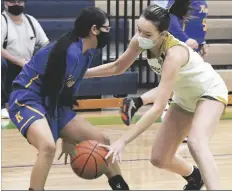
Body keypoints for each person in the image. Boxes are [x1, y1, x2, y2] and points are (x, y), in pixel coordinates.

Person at [84, 1, 228, 190]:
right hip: (185, 98)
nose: (141, 36)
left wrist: (123, 140)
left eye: (148, 34)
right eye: (138, 29)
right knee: (160, 158)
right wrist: (82, 73)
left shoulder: (174, 54)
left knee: (196, 142)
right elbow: (117, 66)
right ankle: (195, 176)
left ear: (163, 34)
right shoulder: (139, 40)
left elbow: (158, 107)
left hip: (209, 92)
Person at [8, 7, 129, 190]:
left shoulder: (87, 51)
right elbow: (53, 91)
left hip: (53, 100)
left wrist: (68, 138)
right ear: (94, 29)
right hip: (27, 98)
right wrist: (66, 138)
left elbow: (65, 94)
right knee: (48, 147)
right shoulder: (69, 52)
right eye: (106, 28)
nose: (109, 32)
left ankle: (121, 187)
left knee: (102, 140)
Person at [1, 0, 49, 118]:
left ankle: (48, 104)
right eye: (12, 2)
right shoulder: (2, 21)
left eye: (19, 1)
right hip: (8, 64)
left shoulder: (31, 21)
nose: (16, 4)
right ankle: (2, 106)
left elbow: (45, 44)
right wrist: (19, 61)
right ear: (5, 3)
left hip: (28, 64)